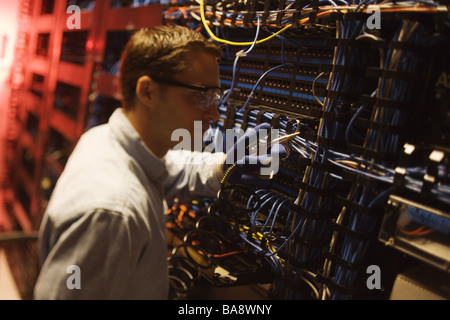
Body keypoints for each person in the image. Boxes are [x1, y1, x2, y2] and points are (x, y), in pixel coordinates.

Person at [33, 25, 283, 300]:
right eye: (201, 95)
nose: (214, 114)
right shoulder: (111, 215)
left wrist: (223, 166)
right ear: (148, 91)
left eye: (215, 97)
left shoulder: (107, 140)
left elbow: (169, 169)